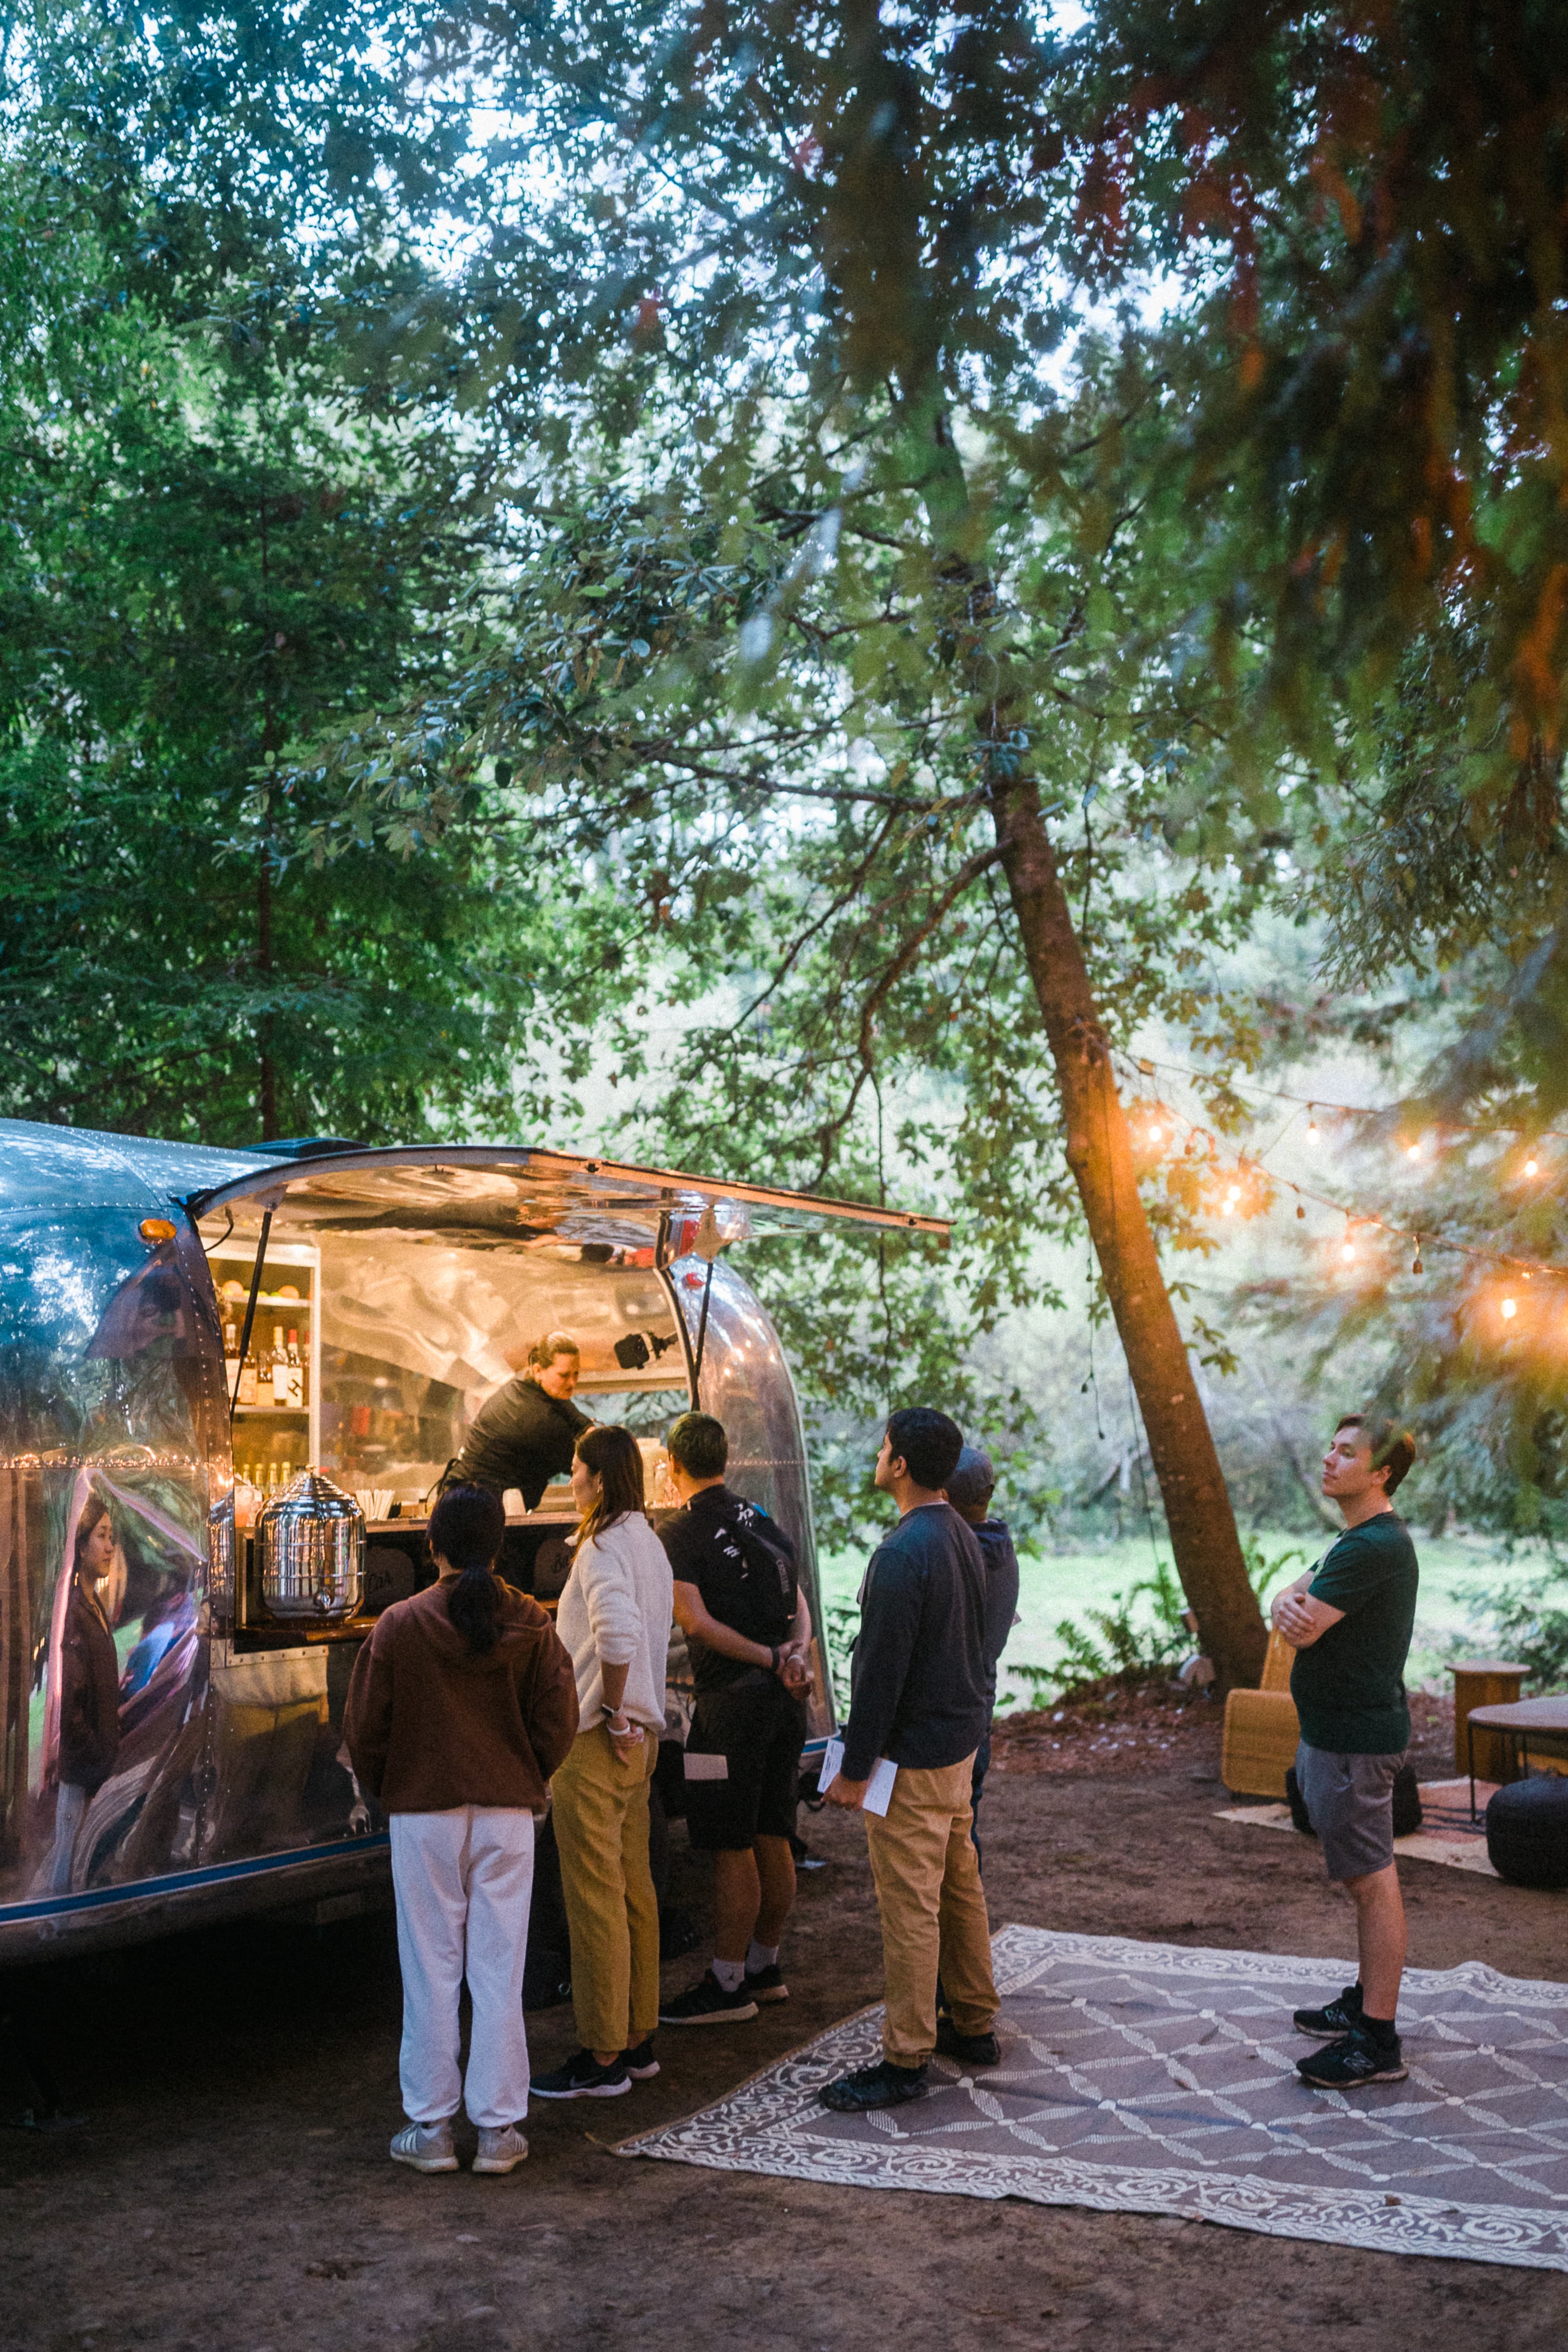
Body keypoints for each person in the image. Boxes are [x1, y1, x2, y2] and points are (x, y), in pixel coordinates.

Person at [344, 1482, 579, 2174]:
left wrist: (393, 1786)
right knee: (500, 1974)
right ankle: (501, 2134)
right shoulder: (533, 1621)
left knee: (431, 1972)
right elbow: (558, 1722)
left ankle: (433, 2131)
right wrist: (525, 1772)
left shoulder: (400, 1625)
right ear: (502, 1547)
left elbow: (365, 1731)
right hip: (508, 1814)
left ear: (431, 1546)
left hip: (424, 1816)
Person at [820, 1408, 1000, 2111]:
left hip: (914, 1761)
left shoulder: (901, 1554)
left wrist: (855, 1767)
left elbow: (880, 1675)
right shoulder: (960, 1531)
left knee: (911, 1907)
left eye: (884, 1445)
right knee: (959, 1888)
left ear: (899, 1466)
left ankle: (906, 2056)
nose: (878, 1451)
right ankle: (975, 2022)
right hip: (957, 1746)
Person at [1271, 1411, 1419, 2091]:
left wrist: (1296, 1615)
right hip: (1336, 1735)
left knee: (1371, 1882)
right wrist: (1289, 1605)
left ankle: (1377, 2039)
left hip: (1356, 1744)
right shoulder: (1355, 1540)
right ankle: (1366, 2002)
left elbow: (1301, 1630)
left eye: (1347, 1452)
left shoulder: (1372, 1547)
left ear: (1381, 1471)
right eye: (1329, 1447)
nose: (1329, 1459)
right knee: (1367, 1879)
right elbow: (1286, 1602)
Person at [655, 1412, 813, 2025]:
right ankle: (764, 1966)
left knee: (729, 1843)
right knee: (773, 1831)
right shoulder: (763, 1520)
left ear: (672, 1467)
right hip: (782, 1704)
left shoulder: (679, 1532)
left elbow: (694, 1622)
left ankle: (726, 1986)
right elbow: (797, 1601)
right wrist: (794, 1655)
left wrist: (771, 1657)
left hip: (728, 1706)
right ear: (727, 1459)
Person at [534, 1424, 674, 2101]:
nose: (571, 1477)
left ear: (597, 1478)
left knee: (594, 1900)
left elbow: (618, 1633)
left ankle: (602, 2055)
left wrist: (613, 1712)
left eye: (575, 1467)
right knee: (633, 1891)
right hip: (640, 1742)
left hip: (598, 1741)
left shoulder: (598, 1549)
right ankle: (638, 2038)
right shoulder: (648, 1541)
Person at [942, 1444, 1019, 1871]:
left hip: (952, 1718)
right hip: (980, 1710)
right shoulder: (1001, 1546)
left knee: (951, 1841)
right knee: (964, 1826)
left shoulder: (957, 1555)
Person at [40, 1496, 122, 1894]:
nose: (110, 1547)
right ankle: (55, 1939)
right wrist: (94, 1756)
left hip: (96, 1769)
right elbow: (70, 1705)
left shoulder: (95, 1604)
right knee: (66, 1872)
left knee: (83, 1869)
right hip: (83, 1772)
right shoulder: (74, 1611)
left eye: (112, 1537)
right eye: (101, 1537)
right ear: (81, 1544)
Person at [448, 1333, 592, 1509]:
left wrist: (587, 1427)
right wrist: (591, 1434)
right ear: (539, 1371)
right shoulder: (540, 1420)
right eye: (564, 1375)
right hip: (471, 1507)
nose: (572, 1382)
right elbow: (588, 1465)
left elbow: (564, 1404)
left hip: (469, 1497)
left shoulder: (524, 1386)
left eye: (576, 1374)